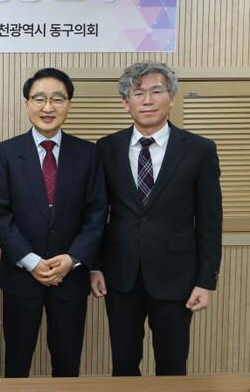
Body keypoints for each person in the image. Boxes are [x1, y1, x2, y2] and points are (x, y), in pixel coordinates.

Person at [91, 61, 222, 376]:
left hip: (177, 276)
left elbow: (209, 221)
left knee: (172, 365)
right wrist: (95, 265)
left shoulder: (200, 150)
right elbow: (96, 213)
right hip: (121, 275)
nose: (147, 100)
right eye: (138, 93)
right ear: (126, 103)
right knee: (123, 364)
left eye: (156, 91)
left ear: (172, 98)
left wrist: (206, 281)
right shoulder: (106, 148)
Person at [0, 68, 107, 377]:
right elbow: (1, 214)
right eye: (39, 98)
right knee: (16, 364)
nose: (48, 107)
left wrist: (73, 258)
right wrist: (31, 261)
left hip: (70, 278)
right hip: (21, 277)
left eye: (57, 99)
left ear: (69, 104)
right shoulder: (7, 152)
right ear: (27, 103)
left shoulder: (88, 153)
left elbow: (97, 214)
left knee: (67, 365)